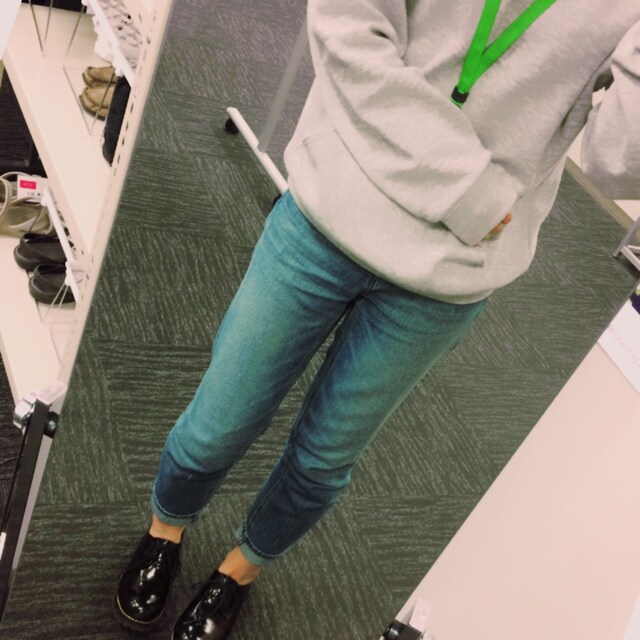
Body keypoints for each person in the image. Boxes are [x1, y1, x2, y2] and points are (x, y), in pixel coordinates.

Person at [113, 1, 640, 639]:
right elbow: (347, 27)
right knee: (220, 418)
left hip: (449, 272)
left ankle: (239, 570)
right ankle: (165, 529)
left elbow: (620, 163)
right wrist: (467, 187)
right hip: (332, 209)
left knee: (322, 460)